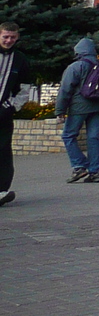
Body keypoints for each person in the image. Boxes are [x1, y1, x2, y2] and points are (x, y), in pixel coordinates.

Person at [56, 37, 99, 183]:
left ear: (78, 51)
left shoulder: (76, 67)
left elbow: (65, 90)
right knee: (94, 137)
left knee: (68, 135)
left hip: (79, 107)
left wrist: (60, 110)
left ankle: (80, 166)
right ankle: (96, 171)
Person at [0, 22, 30, 207]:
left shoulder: (20, 59)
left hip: (3, 113)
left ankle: (2, 191)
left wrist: (11, 107)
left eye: (12, 37)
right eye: (5, 36)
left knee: (2, 152)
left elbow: (24, 89)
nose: (9, 40)